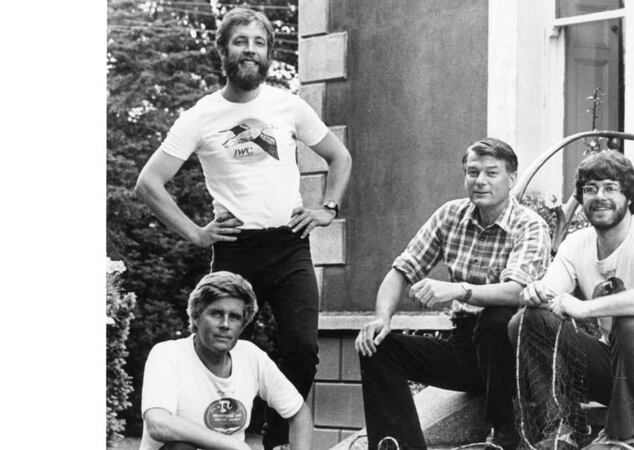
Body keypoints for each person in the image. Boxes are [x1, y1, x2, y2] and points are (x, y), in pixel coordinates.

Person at [135, 7, 351, 449]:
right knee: (219, 351)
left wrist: (328, 207)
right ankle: (213, 439)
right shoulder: (201, 115)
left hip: (289, 245)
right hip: (235, 251)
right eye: (240, 42)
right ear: (224, 51)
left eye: (258, 43)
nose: (250, 50)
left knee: (302, 349)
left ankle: (273, 440)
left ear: (269, 53)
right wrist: (196, 233)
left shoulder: (288, 105)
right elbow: (148, 183)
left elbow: (340, 157)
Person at [354, 138, 551, 450]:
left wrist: (458, 290)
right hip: (466, 347)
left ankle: (506, 437)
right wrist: (381, 319)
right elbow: (401, 270)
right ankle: (399, 445)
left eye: (491, 173)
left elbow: (517, 291)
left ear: (512, 179)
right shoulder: (450, 216)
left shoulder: (530, 226)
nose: (480, 181)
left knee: (496, 319)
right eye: (473, 173)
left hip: (513, 352)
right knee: (378, 346)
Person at [508, 150, 634, 450]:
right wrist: (534, 293)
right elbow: (550, 296)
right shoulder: (577, 244)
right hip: (616, 372)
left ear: (629, 196)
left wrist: (585, 308)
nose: (599, 197)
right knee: (525, 321)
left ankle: (620, 439)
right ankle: (562, 429)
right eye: (590, 189)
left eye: (610, 188)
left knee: (631, 325)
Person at [140, 271, 313, 450]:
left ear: (243, 324)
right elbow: (157, 423)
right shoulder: (168, 354)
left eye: (235, 317)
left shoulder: (251, 356)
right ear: (197, 316)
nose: (225, 324)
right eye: (216, 314)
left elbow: (299, 413)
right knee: (181, 447)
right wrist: (233, 445)